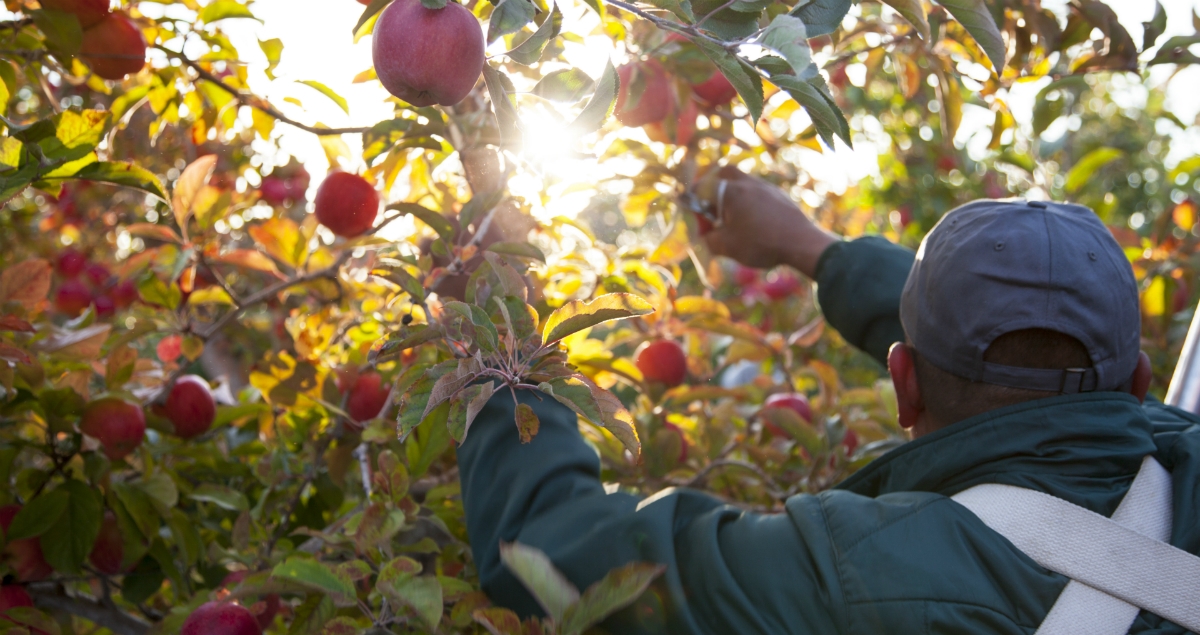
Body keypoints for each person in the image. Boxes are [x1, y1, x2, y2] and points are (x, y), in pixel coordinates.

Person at [455, 167, 1200, 634]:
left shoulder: (857, 575)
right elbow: (1006, 349)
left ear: (901, 384)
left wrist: (498, 342)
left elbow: (545, 545)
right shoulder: (1184, 451)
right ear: (1139, 385)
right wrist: (810, 248)